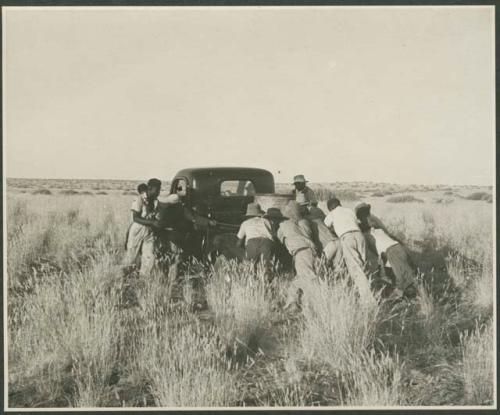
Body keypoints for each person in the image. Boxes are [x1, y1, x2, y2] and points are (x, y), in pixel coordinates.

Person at [355, 203, 417, 300]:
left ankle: (406, 296)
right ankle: (407, 294)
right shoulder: (375, 226)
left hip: (390, 249)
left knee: (402, 276)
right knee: (401, 273)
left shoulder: (368, 226)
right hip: (392, 248)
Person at [324, 197, 373, 302]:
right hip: (359, 236)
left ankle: (368, 300)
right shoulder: (349, 210)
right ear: (339, 204)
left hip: (347, 237)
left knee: (356, 269)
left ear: (330, 208)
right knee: (364, 264)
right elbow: (358, 222)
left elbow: (326, 225)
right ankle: (372, 290)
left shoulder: (331, 214)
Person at [278, 201, 318, 311]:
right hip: (310, 251)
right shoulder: (305, 222)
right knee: (299, 279)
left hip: (301, 252)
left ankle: (310, 305)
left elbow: (280, 240)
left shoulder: (284, 225)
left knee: (308, 278)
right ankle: (292, 302)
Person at [123, 178, 162, 277]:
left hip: (149, 231)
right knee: (131, 256)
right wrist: (152, 222)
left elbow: (157, 217)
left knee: (149, 258)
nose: (158, 192)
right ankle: (125, 279)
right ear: (150, 188)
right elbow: (135, 218)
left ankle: (143, 280)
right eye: (157, 190)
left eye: (159, 190)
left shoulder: (156, 202)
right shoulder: (139, 199)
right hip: (137, 230)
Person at [236, 203, 275, 281]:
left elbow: (239, 242)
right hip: (266, 243)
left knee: (249, 267)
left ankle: (252, 285)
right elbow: (274, 236)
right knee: (266, 267)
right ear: (259, 213)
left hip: (252, 243)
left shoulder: (245, 223)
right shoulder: (268, 221)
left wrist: (239, 247)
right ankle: (267, 284)